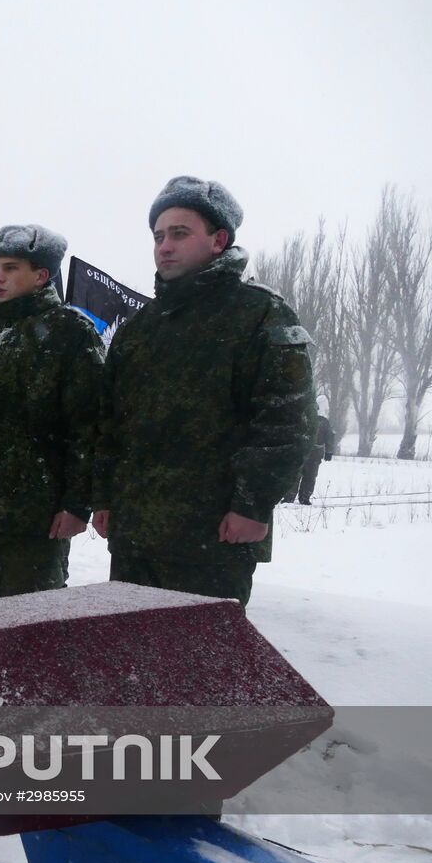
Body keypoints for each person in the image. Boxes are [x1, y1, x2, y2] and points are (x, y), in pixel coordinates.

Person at [92, 176, 316, 606]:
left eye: (180, 233)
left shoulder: (260, 314)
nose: (165, 246)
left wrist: (253, 505)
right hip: (135, 536)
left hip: (213, 539)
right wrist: (104, 495)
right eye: (158, 236)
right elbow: (109, 422)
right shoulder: (140, 328)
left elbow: (287, 422)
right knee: (133, 660)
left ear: (219, 240)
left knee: (200, 665)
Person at [0, 225, 104, 600]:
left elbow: (88, 426)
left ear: (42, 274)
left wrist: (77, 503)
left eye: (11, 267)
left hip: (37, 517)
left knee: (32, 628)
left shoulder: (71, 333)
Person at [289, 413, 334, 505]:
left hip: (314, 455)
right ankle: (289, 498)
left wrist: (329, 451)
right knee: (296, 476)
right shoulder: (300, 416)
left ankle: (304, 498)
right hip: (299, 452)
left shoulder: (323, 421)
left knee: (309, 477)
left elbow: (329, 436)